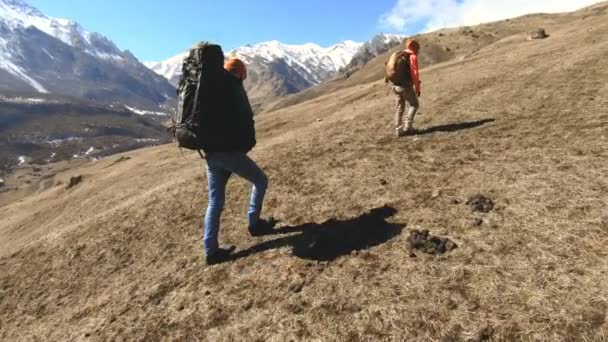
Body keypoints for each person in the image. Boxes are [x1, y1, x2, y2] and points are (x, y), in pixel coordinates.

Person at [203, 57, 275, 265]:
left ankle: (211, 250)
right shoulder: (234, 90)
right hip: (229, 153)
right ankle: (254, 224)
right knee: (260, 180)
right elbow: (245, 121)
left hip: (211, 154)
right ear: (241, 74)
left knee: (215, 202)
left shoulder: (212, 91)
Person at [392, 38, 422, 137]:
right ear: (414, 47)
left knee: (400, 108)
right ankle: (408, 126)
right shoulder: (412, 56)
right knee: (414, 104)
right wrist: (417, 88)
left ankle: (398, 129)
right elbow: (415, 74)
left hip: (395, 86)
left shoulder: (400, 55)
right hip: (406, 87)